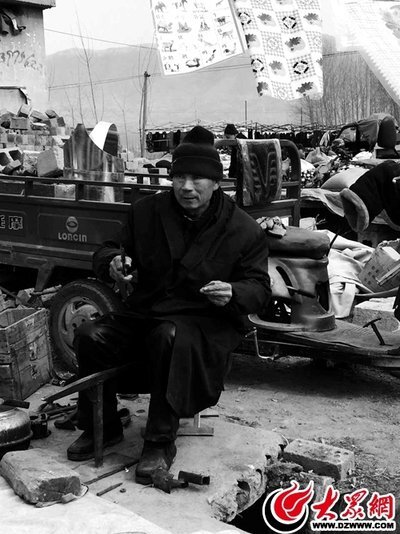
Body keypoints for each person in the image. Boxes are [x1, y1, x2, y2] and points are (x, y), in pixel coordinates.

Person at [66, 125, 271, 484]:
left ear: (216, 183)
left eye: (197, 179)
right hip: (146, 312)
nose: (186, 187)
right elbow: (107, 249)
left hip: (202, 323)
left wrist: (233, 292)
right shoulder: (146, 212)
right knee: (90, 335)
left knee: (169, 336)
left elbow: (260, 289)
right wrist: (114, 263)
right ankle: (103, 426)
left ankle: (160, 442)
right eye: (179, 178)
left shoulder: (243, 229)